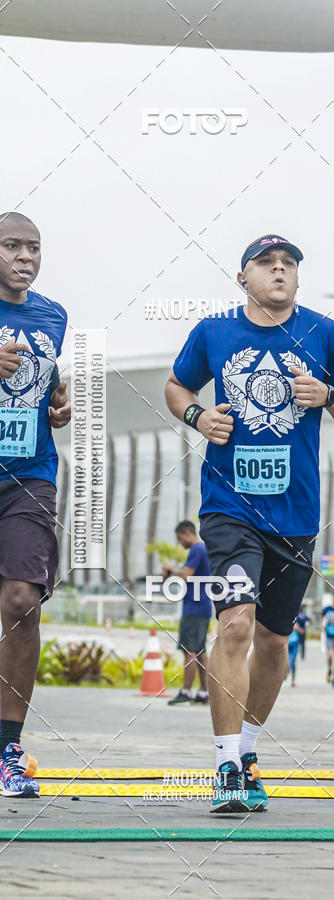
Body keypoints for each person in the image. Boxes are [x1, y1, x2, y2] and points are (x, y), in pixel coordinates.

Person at [165, 233, 334, 813]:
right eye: (266, 263)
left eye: (288, 264)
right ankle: (226, 765)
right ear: (243, 278)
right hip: (229, 507)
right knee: (236, 624)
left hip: (295, 514)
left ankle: (250, 750)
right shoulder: (214, 332)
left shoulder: (323, 334)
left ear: (297, 278)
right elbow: (176, 385)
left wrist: (327, 395)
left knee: (275, 642)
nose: (279, 270)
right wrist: (197, 416)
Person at [0, 212, 70, 798]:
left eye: (34, 248)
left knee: (22, 601)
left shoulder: (53, 316)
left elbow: (45, 388)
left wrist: (57, 405)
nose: (26, 257)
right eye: (12, 246)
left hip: (29, 476)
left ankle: (8, 749)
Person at [163, 521, 212, 706]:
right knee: (200, 651)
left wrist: (171, 569)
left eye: (179, 538)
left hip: (194, 608)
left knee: (189, 650)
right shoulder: (202, 549)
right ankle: (204, 692)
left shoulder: (196, 550)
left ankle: (186, 692)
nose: (179, 542)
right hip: (202, 607)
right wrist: (170, 573)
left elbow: (185, 575)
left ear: (186, 533)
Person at [287, 623, 302, 687]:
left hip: (294, 643)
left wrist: (297, 628)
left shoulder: (296, 622)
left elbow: (301, 631)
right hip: (287, 643)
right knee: (286, 661)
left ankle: (293, 680)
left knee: (292, 661)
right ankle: (286, 671)